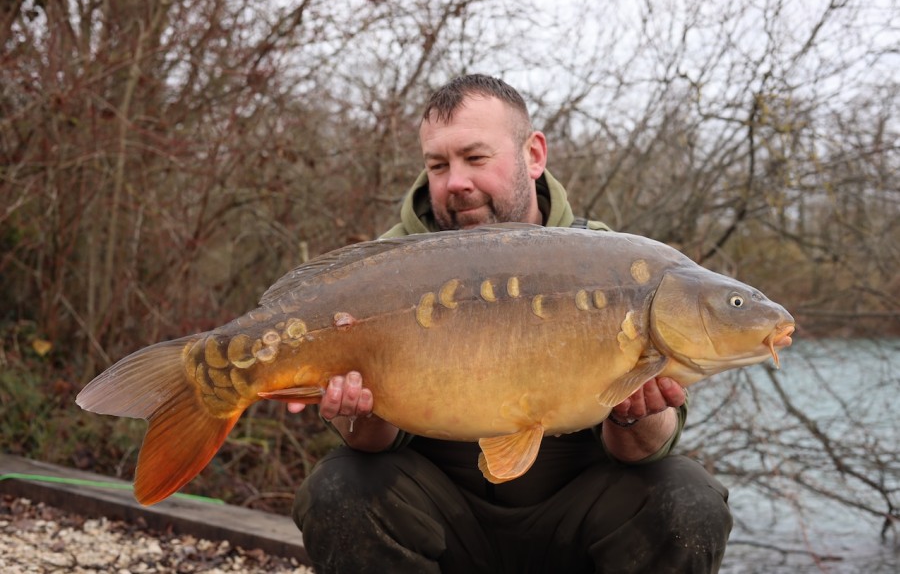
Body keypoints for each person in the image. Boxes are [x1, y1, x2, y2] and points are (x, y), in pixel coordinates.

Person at [290, 74, 732, 573]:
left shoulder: (619, 262)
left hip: (572, 526)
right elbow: (373, 444)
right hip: (441, 521)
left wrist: (634, 414)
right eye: (438, 165)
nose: (456, 181)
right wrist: (357, 412)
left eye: (476, 158)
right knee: (341, 486)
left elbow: (649, 451)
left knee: (687, 496)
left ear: (534, 155)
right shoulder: (387, 272)